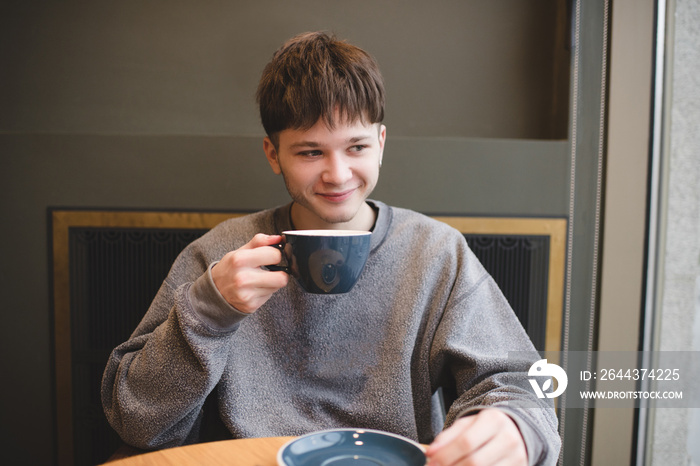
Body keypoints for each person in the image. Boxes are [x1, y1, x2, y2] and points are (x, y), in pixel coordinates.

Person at [101, 31, 560, 465]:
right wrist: (208, 311)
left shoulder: (436, 253)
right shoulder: (218, 254)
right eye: (310, 152)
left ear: (381, 143)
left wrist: (514, 424)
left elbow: (519, 383)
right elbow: (137, 423)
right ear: (272, 154)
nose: (338, 174)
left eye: (356, 146)